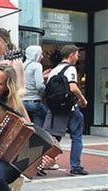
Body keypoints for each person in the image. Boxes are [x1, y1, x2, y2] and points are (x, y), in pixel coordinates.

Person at [43, 45, 88, 176]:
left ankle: (39, 163)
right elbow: (73, 87)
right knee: (77, 136)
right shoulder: (70, 69)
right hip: (70, 108)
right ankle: (76, 166)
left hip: (56, 108)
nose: (78, 57)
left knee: (53, 138)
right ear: (72, 55)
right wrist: (83, 99)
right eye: (77, 54)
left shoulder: (54, 70)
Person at [22, 45, 50, 127]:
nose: (42, 56)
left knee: (27, 128)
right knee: (39, 130)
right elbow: (40, 86)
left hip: (22, 103)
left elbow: (28, 79)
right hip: (34, 101)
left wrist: (42, 75)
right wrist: (45, 90)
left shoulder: (22, 65)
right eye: (40, 54)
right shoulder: (37, 66)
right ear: (35, 54)